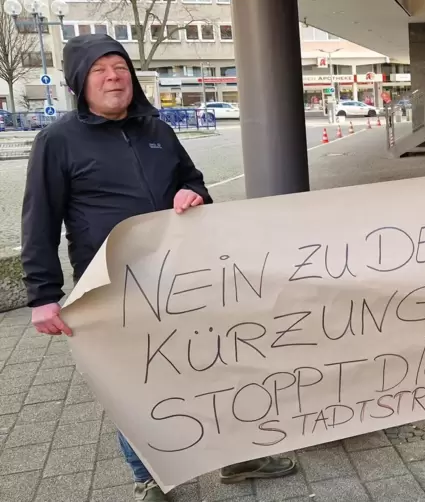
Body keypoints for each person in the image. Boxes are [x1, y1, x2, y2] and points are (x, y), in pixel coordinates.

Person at [20, 34, 297, 502]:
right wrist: (42, 295)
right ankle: (148, 476)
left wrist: (193, 195)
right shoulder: (57, 141)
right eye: (100, 70)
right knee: (140, 384)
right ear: (79, 82)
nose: (114, 78)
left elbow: (193, 182)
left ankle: (236, 456)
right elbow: (39, 218)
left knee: (213, 366)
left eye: (121, 68)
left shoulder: (158, 130)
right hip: (113, 289)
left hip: (183, 279)